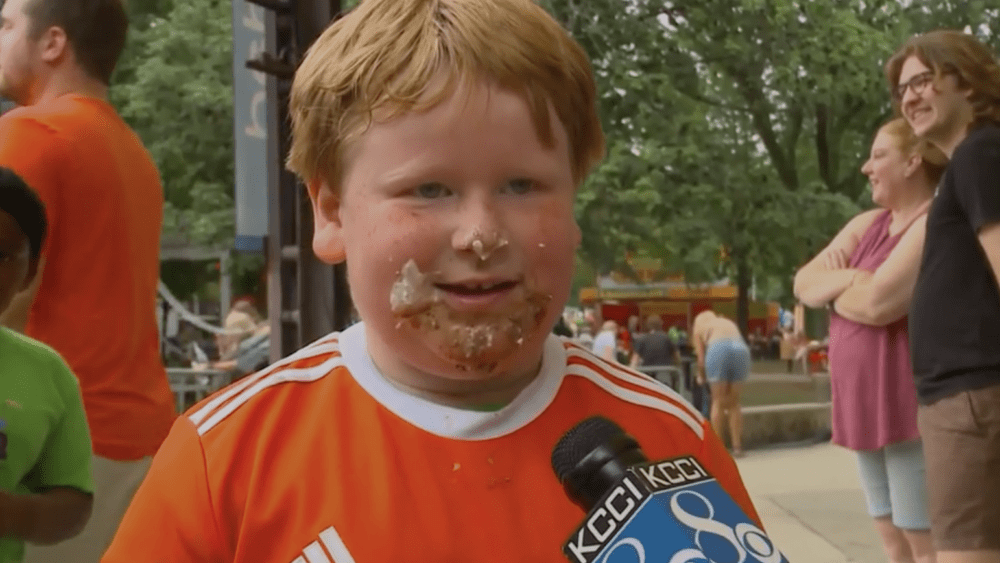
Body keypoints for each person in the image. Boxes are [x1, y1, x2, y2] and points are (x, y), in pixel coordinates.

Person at [100, 1, 763, 560]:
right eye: (430, 188)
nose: (481, 232)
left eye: (522, 184)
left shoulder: (675, 445)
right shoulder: (224, 461)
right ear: (330, 210)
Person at [0, 1, 177, 560]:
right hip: (139, 445)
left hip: (42, 446)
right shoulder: (133, 155)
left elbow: (10, 299)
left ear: (52, 43)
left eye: (6, 25)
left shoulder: (31, 133)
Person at [794, 117, 945, 563]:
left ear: (914, 161)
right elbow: (804, 282)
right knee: (889, 538)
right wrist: (854, 279)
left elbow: (881, 305)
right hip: (862, 406)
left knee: (924, 543)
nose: (866, 167)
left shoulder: (933, 218)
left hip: (904, 406)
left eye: (879, 155)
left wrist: (836, 292)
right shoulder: (867, 224)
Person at [887, 30, 1000, 563]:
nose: (909, 97)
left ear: (970, 79)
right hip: (968, 398)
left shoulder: (981, 151)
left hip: (972, 399)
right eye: (903, 88)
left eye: (924, 80)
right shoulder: (974, 161)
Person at [0, 168, 93, 562]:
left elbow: (72, 500)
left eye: (1, 254)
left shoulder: (46, 373)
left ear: (31, 270)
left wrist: (15, 514)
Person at [691, 310, 751, 457]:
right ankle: (737, 447)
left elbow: (700, 359)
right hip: (741, 349)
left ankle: (719, 449)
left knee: (717, 401)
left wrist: (701, 376)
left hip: (718, 349)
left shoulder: (699, 328)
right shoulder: (726, 322)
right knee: (734, 403)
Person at [630, 314, 680, 388]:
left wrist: (631, 374)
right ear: (660, 324)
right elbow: (677, 356)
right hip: (665, 372)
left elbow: (635, 360)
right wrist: (678, 367)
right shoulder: (667, 338)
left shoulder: (642, 339)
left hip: (647, 374)